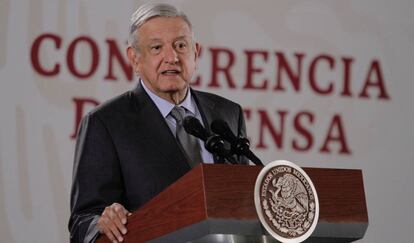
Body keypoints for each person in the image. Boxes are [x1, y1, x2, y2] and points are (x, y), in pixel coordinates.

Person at [69, 3, 248, 243]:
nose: (171, 57)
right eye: (156, 48)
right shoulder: (106, 123)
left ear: (195, 53)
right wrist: (102, 221)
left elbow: (246, 201)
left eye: (180, 46)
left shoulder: (228, 113)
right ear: (134, 58)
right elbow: (83, 220)